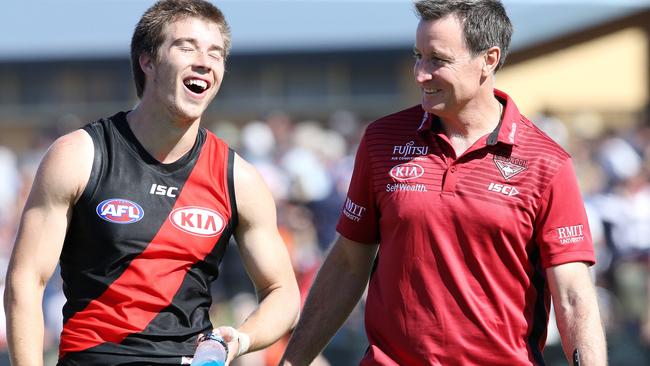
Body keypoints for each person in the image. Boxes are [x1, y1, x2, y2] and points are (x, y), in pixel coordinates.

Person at [280, 0, 607, 365]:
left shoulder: (547, 163)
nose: (420, 73)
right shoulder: (381, 141)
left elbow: (573, 296)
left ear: (489, 58)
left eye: (438, 59)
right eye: (417, 56)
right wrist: (292, 362)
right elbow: (347, 264)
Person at [4, 0, 300, 365]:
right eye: (186, 47)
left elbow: (283, 292)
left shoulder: (239, 178)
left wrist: (241, 339)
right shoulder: (78, 156)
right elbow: (25, 282)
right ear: (148, 61)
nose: (204, 62)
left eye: (216, 53)